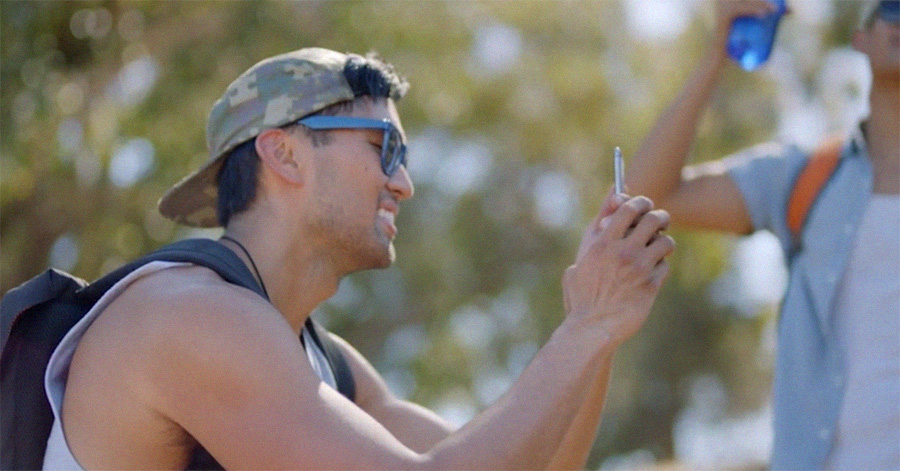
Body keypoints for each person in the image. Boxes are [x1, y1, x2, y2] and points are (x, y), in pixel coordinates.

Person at [42, 47, 675, 470]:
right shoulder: (191, 317)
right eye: (385, 147)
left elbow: (541, 461)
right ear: (285, 154)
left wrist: (603, 324)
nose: (404, 184)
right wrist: (588, 323)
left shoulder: (324, 363)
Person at [626, 0, 899, 469]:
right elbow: (647, 195)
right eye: (893, 7)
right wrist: (718, 49)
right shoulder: (804, 178)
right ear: (861, 38)